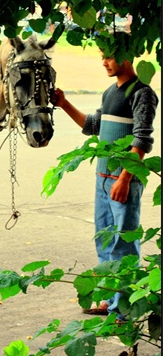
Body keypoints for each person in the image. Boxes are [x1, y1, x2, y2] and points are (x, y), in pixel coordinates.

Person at [51, 46, 159, 320]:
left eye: (109, 56)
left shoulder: (142, 93)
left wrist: (125, 178)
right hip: (102, 179)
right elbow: (93, 125)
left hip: (123, 181)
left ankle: (123, 309)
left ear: (127, 56)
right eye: (102, 57)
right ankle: (110, 298)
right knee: (104, 242)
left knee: (122, 245)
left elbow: (142, 139)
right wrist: (64, 104)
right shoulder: (110, 92)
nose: (104, 63)